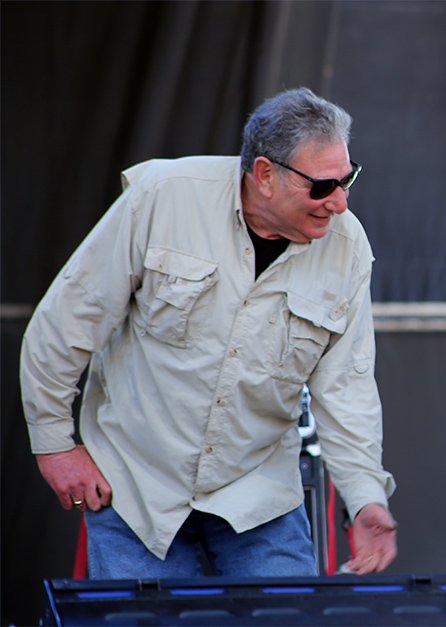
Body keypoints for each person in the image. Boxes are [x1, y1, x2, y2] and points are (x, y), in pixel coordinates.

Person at [21, 87, 397, 579]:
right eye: (324, 187)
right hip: (137, 489)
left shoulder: (348, 248)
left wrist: (365, 496)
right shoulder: (162, 195)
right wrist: (54, 443)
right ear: (265, 174)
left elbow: (346, 387)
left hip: (258, 498)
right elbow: (65, 322)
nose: (341, 203)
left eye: (348, 179)